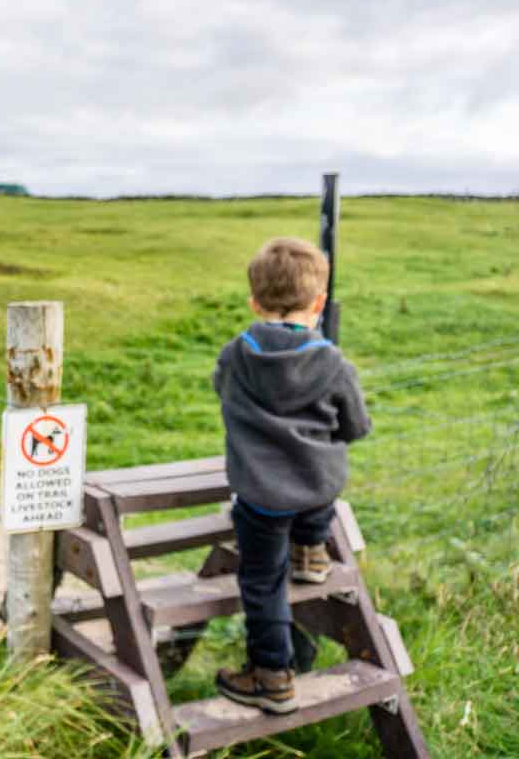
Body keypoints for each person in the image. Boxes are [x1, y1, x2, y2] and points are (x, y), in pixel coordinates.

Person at [211, 237, 371, 714]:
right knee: (319, 495)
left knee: (263, 583)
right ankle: (311, 552)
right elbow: (356, 426)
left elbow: (221, 391)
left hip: (261, 495)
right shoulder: (334, 363)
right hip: (318, 491)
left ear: (254, 303)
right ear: (318, 303)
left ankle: (272, 678)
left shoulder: (235, 356)